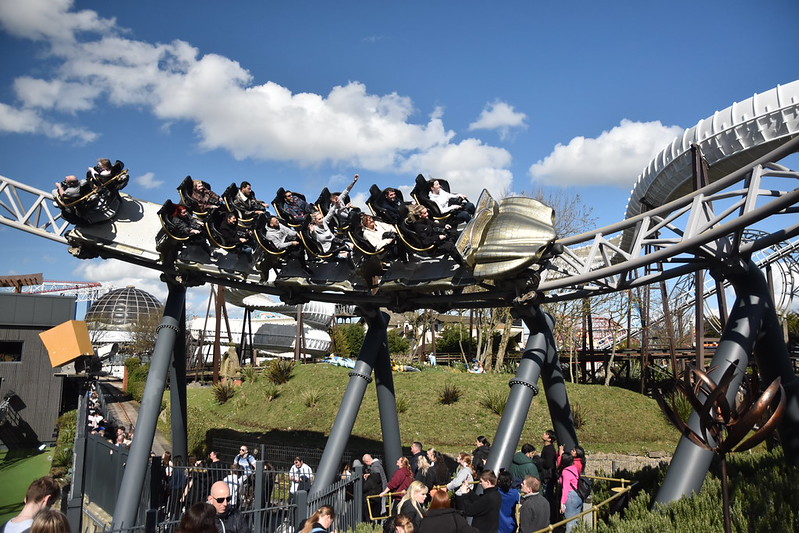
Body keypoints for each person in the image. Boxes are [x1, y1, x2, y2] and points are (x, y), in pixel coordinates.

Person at [557, 453, 582, 532]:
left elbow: (566, 488)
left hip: (571, 497)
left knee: (570, 522)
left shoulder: (566, 471)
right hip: (578, 495)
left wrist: (562, 503)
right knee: (576, 520)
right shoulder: (575, 468)